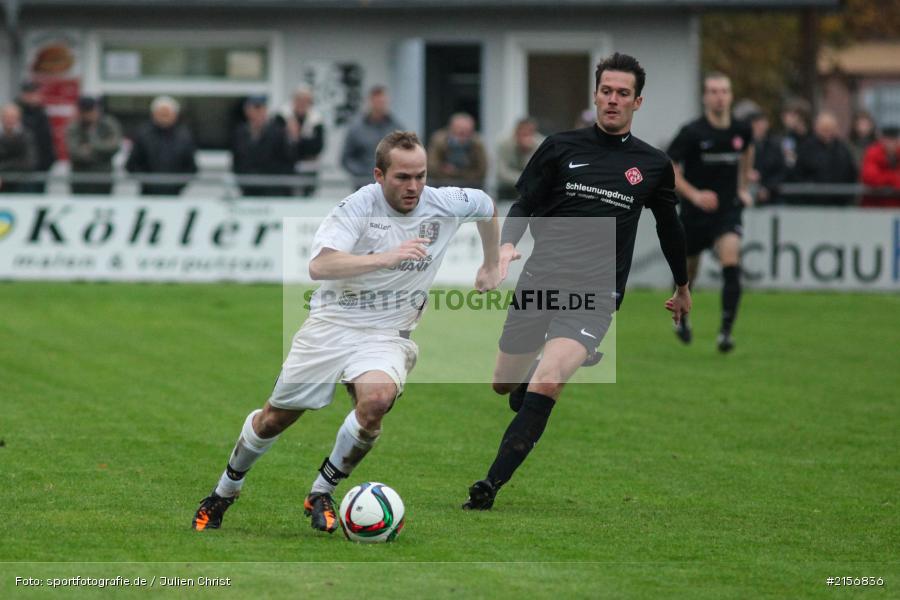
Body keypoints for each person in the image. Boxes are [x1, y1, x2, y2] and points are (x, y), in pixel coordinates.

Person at [193, 130, 501, 533]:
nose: (414, 187)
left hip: (387, 332)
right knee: (274, 419)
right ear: (378, 175)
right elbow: (320, 266)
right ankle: (222, 493)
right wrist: (385, 258)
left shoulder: (442, 202)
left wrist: (491, 263)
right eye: (402, 178)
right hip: (333, 323)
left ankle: (321, 492)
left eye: (421, 176)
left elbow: (486, 205)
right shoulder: (356, 207)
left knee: (376, 402)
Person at [462, 52, 691, 511]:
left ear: (637, 101)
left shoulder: (652, 165)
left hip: (596, 294)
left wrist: (682, 285)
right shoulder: (560, 147)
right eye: (606, 91)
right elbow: (525, 202)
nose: (613, 100)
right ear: (595, 94)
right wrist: (506, 247)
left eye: (622, 93)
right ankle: (524, 381)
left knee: (550, 381)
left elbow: (669, 226)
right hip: (541, 280)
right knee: (504, 385)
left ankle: (490, 485)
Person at [667, 72, 753, 353]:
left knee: (731, 257)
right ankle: (682, 317)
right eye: (714, 91)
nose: (719, 96)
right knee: (688, 272)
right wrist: (694, 195)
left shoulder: (741, 130)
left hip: (727, 210)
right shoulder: (692, 132)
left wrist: (742, 187)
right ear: (705, 97)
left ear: (731, 95)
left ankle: (725, 333)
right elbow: (670, 168)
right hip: (694, 213)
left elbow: (747, 152)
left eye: (724, 91)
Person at [125, 96, 197, 196]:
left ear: (175, 115)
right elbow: (132, 165)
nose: (164, 117)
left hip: (175, 194)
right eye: (161, 114)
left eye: (167, 114)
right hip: (148, 193)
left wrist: (178, 184)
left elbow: (191, 167)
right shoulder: (143, 135)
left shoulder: (184, 137)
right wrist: (146, 182)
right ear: (153, 114)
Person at [341, 86, 404, 191]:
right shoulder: (356, 129)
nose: (380, 105)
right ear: (370, 102)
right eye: (377, 101)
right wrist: (363, 173)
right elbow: (346, 159)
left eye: (383, 101)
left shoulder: (396, 128)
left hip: (390, 186)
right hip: (363, 186)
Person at [230, 95, 295, 197]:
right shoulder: (240, 133)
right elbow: (236, 160)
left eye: (261, 108)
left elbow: (287, 161)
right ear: (247, 111)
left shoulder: (277, 132)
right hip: (248, 189)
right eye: (255, 108)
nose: (258, 112)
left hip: (272, 190)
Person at [792, 111, 857, 206]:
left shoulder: (843, 149)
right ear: (816, 128)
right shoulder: (806, 148)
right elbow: (798, 174)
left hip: (839, 204)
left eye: (830, 128)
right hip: (813, 204)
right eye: (824, 129)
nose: (827, 132)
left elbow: (851, 173)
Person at [65, 96, 122, 195]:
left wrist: (92, 145)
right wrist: (101, 152)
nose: (89, 114)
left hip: (103, 178)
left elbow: (114, 146)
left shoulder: (108, 124)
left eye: (91, 110)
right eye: (86, 111)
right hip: (80, 180)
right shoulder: (74, 127)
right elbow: (74, 152)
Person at [427, 112, 488, 188]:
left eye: (467, 132)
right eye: (460, 132)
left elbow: (481, 171)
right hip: (441, 185)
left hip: (470, 187)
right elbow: (432, 168)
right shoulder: (439, 141)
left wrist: (454, 172)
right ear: (451, 129)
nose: (463, 136)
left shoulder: (477, 144)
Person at [284, 85, 325, 197]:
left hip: (309, 170)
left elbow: (317, 147)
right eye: (299, 100)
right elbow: (280, 147)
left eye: (305, 100)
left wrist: (297, 138)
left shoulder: (317, 121)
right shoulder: (283, 118)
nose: (302, 103)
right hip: (287, 170)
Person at [16, 81, 56, 193]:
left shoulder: (42, 112)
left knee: (39, 197)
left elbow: (46, 139)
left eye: (33, 93)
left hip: (42, 164)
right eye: (28, 94)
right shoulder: (17, 112)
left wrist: (50, 160)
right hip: (23, 167)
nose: (31, 97)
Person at [496, 117, 544, 200]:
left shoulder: (541, 144)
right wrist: (524, 179)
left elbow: (539, 171)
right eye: (523, 133)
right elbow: (501, 172)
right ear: (516, 132)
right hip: (508, 189)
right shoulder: (504, 144)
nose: (526, 137)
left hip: (533, 190)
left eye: (529, 133)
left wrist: (527, 152)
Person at [748, 110, 787, 205]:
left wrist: (767, 188)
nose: (759, 126)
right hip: (748, 194)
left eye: (762, 123)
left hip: (772, 197)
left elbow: (781, 171)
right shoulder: (744, 145)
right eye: (756, 123)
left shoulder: (775, 146)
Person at [0, 103, 37, 193]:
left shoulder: (26, 135)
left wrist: (3, 169)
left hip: (22, 185)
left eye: (12, 117)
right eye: (6, 117)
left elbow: (29, 162)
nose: (9, 120)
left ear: (18, 118)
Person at [860, 124, 900, 208]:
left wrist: (885, 178)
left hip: (896, 207)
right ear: (882, 140)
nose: (891, 144)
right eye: (888, 140)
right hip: (875, 207)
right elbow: (871, 178)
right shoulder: (872, 153)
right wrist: (892, 178)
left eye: (894, 140)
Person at [780, 97, 811, 171]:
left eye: (790, 115)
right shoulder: (788, 138)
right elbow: (790, 164)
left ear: (801, 117)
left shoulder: (814, 138)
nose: (785, 119)